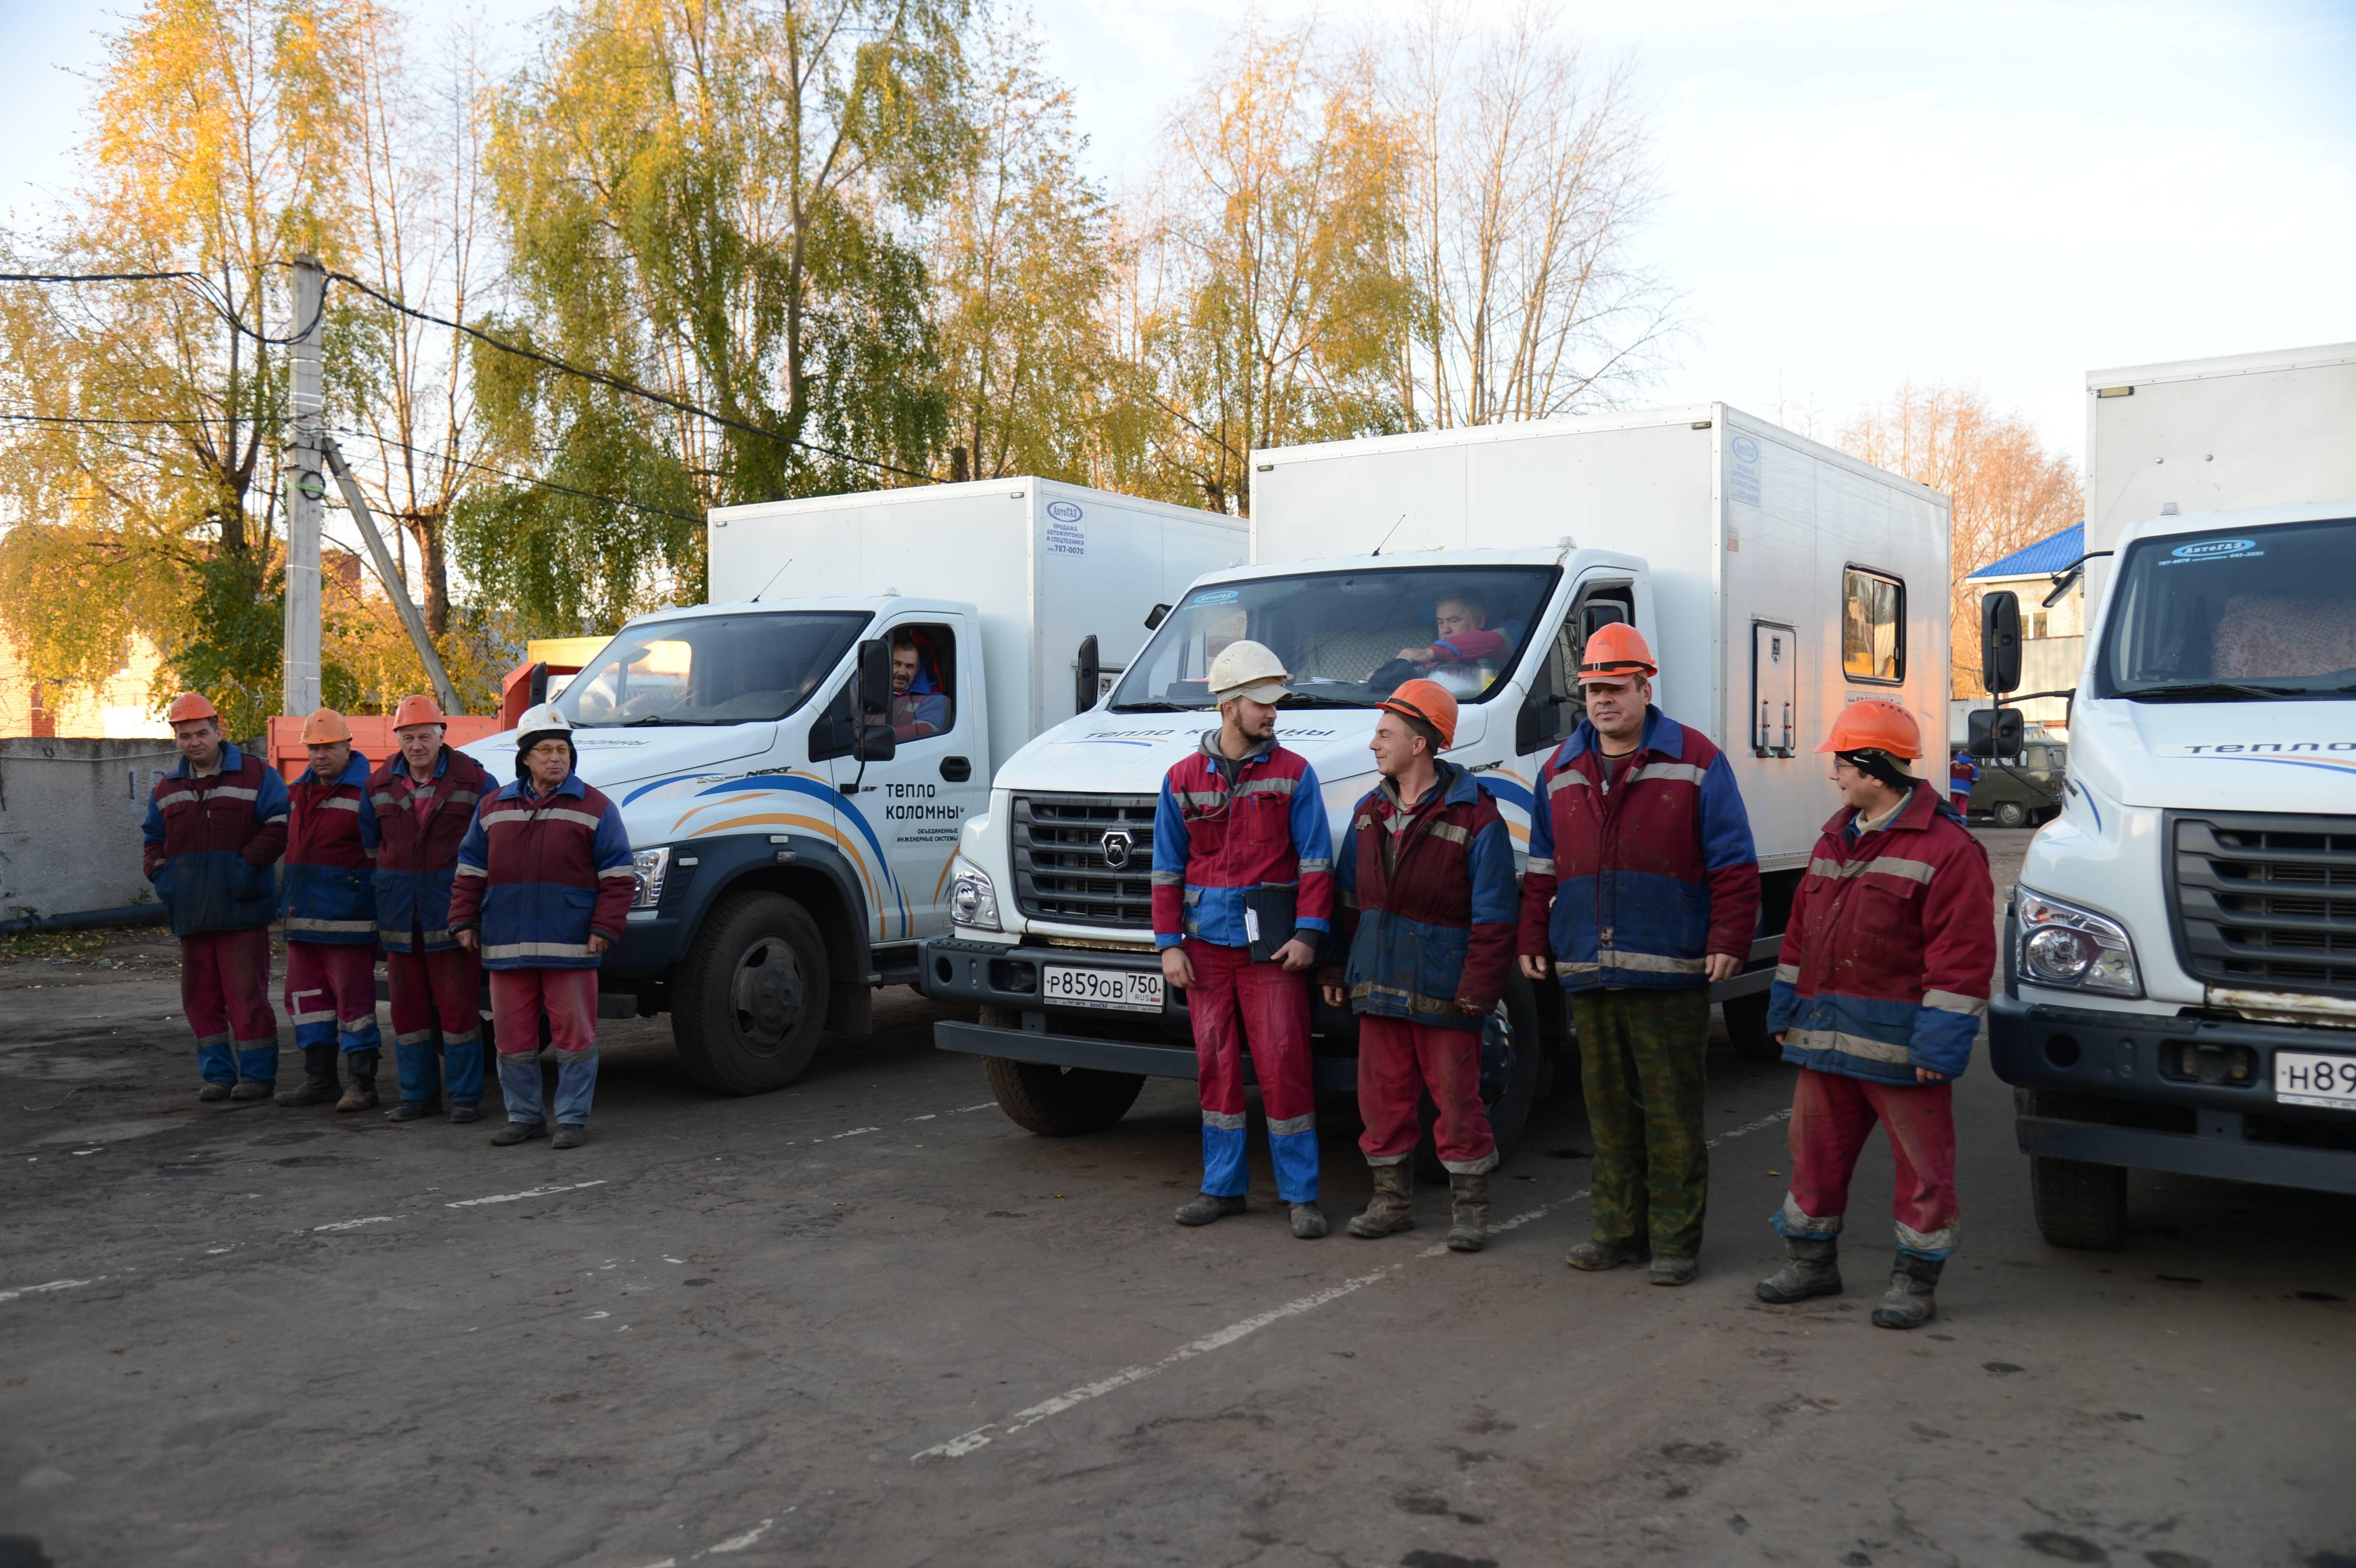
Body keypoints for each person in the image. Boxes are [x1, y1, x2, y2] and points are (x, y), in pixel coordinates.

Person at [1516, 622, 1760, 1285]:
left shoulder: (1698, 759)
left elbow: (1734, 862)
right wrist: (1531, 936)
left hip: (1669, 967)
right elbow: (1541, 867)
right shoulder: (1559, 770)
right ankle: (1617, 1233)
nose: (1602, 702)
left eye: (1615, 689)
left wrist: (1730, 940)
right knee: (1609, 1114)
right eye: (1592, 690)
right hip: (1588, 971)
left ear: (1644, 687)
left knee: (1672, 1116)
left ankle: (1675, 1244)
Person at [1756, 699, 1995, 1330]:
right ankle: (1811, 1264)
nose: (1833, 774)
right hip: (1825, 1039)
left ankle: (1915, 1282)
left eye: (1841, 762)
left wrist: (1940, 1048)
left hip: (1900, 1050)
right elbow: (1800, 936)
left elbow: (1963, 958)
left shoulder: (1949, 850)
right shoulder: (1835, 837)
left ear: (1873, 767)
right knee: (1812, 1159)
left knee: (1924, 1172)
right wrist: (1785, 1009)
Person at [1320, 680, 1517, 1252]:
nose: (1373, 744)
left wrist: (1479, 990)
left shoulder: (1478, 818)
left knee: (1458, 1102)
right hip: (1378, 984)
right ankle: (1390, 1201)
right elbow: (1347, 901)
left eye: (1384, 733)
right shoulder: (1367, 814)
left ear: (1420, 743)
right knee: (1381, 1098)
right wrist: (1335, 970)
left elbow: (1495, 916)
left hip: (1444, 991)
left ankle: (1470, 1209)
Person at [1153, 639, 1335, 1239]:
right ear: (1230, 706)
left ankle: (1301, 1195)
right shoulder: (1180, 779)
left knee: (1286, 1063)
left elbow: (1315, 862)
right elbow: (1165, 870)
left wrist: (1309, 933)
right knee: (1217, 1068)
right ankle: (1223, 1188)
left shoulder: (1293, 774)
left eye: (1274, 704)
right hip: (1205, 951)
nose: (1272, 714)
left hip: (1271, 953)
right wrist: (1168, 943)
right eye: (1262, 704)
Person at [448, 703, 633, 1150]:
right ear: (525, 758)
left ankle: (571, 1119)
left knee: (575, 1039)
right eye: (546, 750)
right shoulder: (494, 807)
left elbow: (620, 876)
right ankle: (524, 1117)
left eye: (563, 750)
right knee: (513, 1040)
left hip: (570, 946)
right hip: (506, 945)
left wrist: (604, 929)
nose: (556, 758)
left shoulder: (596, 807)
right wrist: (463, 919)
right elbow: (470, 869)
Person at [143, 693, 289, 1100]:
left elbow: (279, 825)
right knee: (200, 999)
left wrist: (243, 871)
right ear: (176, 738)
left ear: (218, 730)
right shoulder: (166, 787)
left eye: (202, 733)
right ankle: (218, 1077)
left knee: (247, 997)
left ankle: (258, 1077)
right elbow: (153, 839)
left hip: (241, 909)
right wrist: (163, 875)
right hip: (191, 911)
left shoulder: (258, 775)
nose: (195, 742)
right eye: (185, 735)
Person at [370, 694, 496, 1123]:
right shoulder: (380, 784)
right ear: (398, 739)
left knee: (458, 1009)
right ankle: (418, 1096)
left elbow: (493, 846)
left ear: (443, 736)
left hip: (452, 913)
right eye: (408, 737)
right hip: (401, 915)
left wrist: (475, 908)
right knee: (408, 1013)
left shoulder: (478, 782)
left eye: (425, 736)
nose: (417, 745)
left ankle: (464, 1098)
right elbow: (372, 846)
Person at [276, 708, 384, 1111]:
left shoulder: (368, 794)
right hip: (303, 921)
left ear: (348, 746)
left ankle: (362, 1084)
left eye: (330, 747)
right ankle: (320, 1080)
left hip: (349, 921)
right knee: (306, 1002)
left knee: (354, 1006)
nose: (321, 755)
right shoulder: (296, 793)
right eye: (314, 748)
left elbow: (381, 854)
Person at [1396, 592, 1521, 670]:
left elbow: (1496, 641)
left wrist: (1428, 654)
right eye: (1440, 623)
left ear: (1480, 620)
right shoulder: (1432, 661)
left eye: (1454, 621)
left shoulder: (1511, 631)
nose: (1445, 630)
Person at [890, 634, 949, 740]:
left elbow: (927, 729)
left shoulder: (934, 698)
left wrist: (881, 737)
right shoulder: (867, 687)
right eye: (897, 664)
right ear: (887, 664)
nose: (902, 672)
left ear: (918, 670)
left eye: (910, 666)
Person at [1948, 749, 1978, 815]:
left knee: (1949, 807)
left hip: (1952, 789)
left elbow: (1945, 772)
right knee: (1962, 809)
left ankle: (1950, 824)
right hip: (1965, 790)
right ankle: (1963, 824)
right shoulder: (1973, 764)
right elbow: (1976, 779)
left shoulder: (1952, 761)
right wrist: (1968, 784)